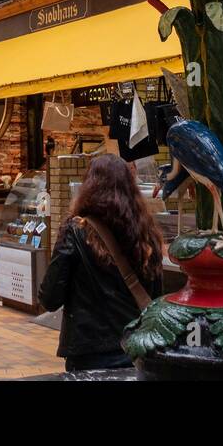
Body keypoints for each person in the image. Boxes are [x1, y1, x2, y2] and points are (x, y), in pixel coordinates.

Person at [38, 154, 164, 372]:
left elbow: (50, 299)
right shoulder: (147, 233)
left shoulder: (75, 231)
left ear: (89, 186)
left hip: (88, 354)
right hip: (136, 350)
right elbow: (155, 296)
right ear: (130, 187)